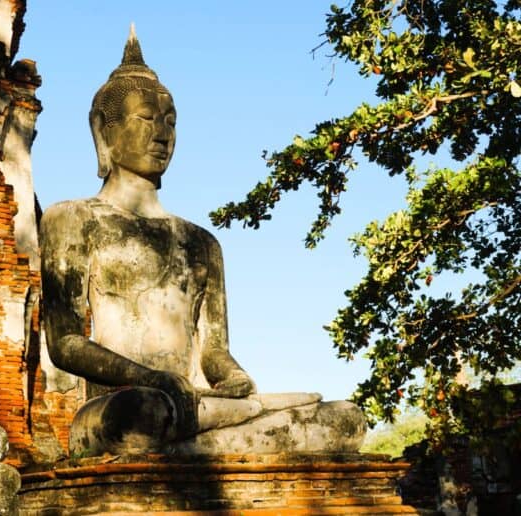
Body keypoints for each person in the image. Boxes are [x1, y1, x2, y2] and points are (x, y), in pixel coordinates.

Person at [40, 26, 365, 456]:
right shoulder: (73, 218)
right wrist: (152, 378)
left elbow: (214, 351)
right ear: (104, 131)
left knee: (344, 419)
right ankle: (216, 439)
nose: (162, 134)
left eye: (170, 121)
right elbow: (65, 344)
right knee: (143, 414)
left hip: (197, 403)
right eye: (145, 119)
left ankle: (207, 440)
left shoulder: (201, 242)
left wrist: (236, 379)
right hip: (119, 407)